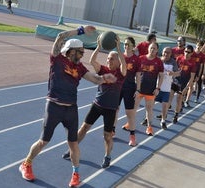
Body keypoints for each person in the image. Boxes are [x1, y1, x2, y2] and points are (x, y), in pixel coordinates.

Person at [19, 25, 117, 188]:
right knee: (44, 141)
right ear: (71, 50)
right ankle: (26, 163)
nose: (82, 54)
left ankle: (76, 174)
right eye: (80, 51)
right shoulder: (57, 59)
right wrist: (80, 31)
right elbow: (60, 36)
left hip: (71, 110)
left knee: (73, 143)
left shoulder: (79, 67)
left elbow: (94, 79)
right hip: (54, 107)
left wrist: (104, 78)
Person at [63, 34, 126, 169]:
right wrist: (98, 47)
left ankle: (107, 156)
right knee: (84, 128)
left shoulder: (121, 73)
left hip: (110, 109)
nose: (109, 60)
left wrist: (119, 49)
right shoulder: (103, 69)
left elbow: (124, 65)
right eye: (108, 58)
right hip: (97, 105)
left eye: (112, 59)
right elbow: (92, 61)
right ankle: (71, 151)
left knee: (107, 136)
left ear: (118, 61)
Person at [114, 37, 141, 146]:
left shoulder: (136, 59)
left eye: (128, 44)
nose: (126, 46)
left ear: (133, 46)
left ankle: (132, 137)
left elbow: (138, 75)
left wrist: (138, 90)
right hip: (118, 87)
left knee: (130, 113)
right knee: (114, 110)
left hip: (130, 88)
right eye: (125, 44)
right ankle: (112, 131)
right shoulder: (120, 57)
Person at [134, 42, 164, 135]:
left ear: (157, 50)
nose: (152, 50)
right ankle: (130, 124)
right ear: (148, 48)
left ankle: (149, 127)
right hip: (139, 88)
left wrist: (158, 88)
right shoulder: (141, 58)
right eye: (151, 48)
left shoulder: (158, 61)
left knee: (149, 109)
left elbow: (161, 76)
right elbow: (136, 73)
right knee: (134, 108)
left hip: (151, 90)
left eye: (154, 48)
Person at [155, 47, 179, 129]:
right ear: (162, 52)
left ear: (171, 54)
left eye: (168, 52)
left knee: (165, 105)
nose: (166, 54)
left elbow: (178, 73)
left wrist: (173, 74)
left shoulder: (173, 63)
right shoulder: (158, 60)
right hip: (156, 87)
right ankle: (147, 119)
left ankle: (163, 121)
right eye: (165, 52)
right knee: (150, 104)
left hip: (166, 88)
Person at [171, 45, 196, 123]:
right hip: (175, 81)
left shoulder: (193, 63)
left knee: (178, 99)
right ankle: (164, 113)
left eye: (188, 52)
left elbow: (192, 77)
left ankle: (176, 115)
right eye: (185, 51)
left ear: (191, 53)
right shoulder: (179, 58)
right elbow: (174, 69)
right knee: (169, 96)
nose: (186, 53)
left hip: (183, 83)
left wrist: (187, 87)